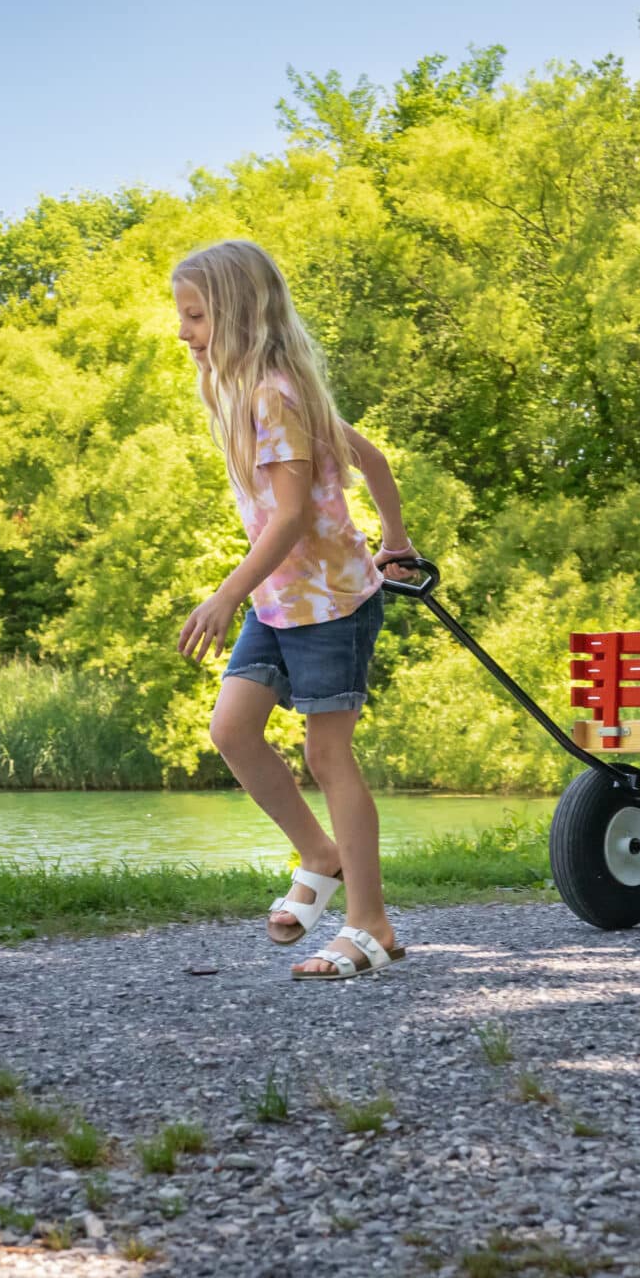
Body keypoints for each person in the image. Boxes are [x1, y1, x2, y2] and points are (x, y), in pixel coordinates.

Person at [171, 239, 418, 980]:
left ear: (238, 315)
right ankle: (319, 853)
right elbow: (372, 459)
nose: (183, 332)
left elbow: (290, 517)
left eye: (196, 316)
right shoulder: (252, 391)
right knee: (232, 729)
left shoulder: (275, 394)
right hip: (282, 601)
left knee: (327, 754)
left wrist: (225, 594)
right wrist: (395, 539)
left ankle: (370, 923)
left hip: (330, 604)